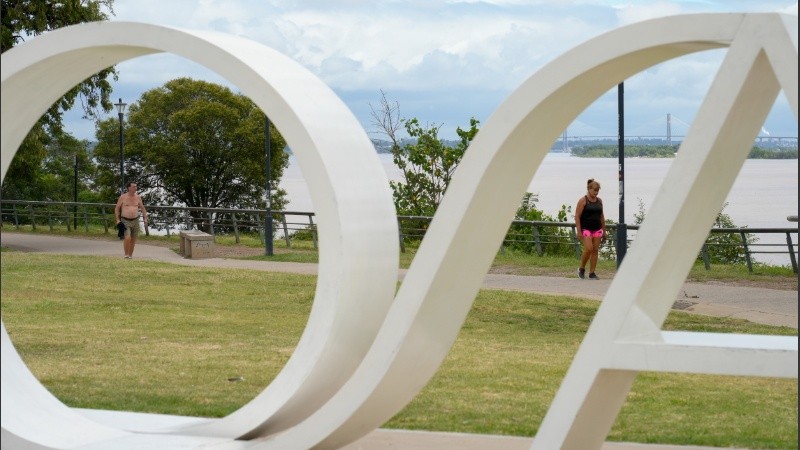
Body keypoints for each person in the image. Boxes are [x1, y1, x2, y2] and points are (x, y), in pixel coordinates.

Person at [575, 178, 605, 280]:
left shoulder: (599, 201)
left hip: (597, 229)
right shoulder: (583, 200)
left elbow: (601, 217)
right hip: (586, 229)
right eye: (594, 190)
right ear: (589, 189)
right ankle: (581, 268)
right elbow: (577, 216)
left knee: (595, 251)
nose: (596, 192)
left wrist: (604, 231)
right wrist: (579, 231)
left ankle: (592, 273)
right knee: (589, 248)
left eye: (598, 190)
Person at [114, 182, 149, 259]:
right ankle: (126, 254)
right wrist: (117, 220)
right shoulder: (123, 197)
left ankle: (130, 255)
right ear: (129, 188)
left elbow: (142, 208)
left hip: (135, 220)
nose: (135, 188)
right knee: (127, 238)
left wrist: (145, 218)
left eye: (136, 187)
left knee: (133, 239)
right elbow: (117, 208)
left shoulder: (138, 197)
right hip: (125, 220)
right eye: (133, 187)